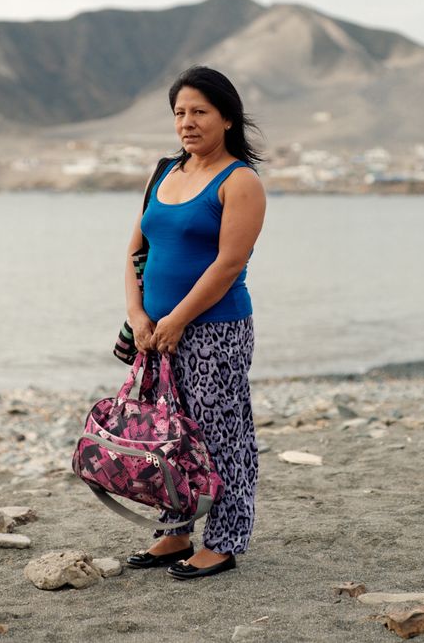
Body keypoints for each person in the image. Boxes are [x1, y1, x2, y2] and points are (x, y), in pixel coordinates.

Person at [123, 65, 266, 580]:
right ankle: (176, 532)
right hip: (155, 332)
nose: (187, 122)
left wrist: (179, 319)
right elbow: (136, 250)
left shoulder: (240, 181)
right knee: (167, 436)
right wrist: (138, 315)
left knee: (220, 434)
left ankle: (223, 543)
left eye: (200, 111)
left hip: (214, 331)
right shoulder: (163, 171)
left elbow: (229, 264)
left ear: (227, 118)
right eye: (180, 112)